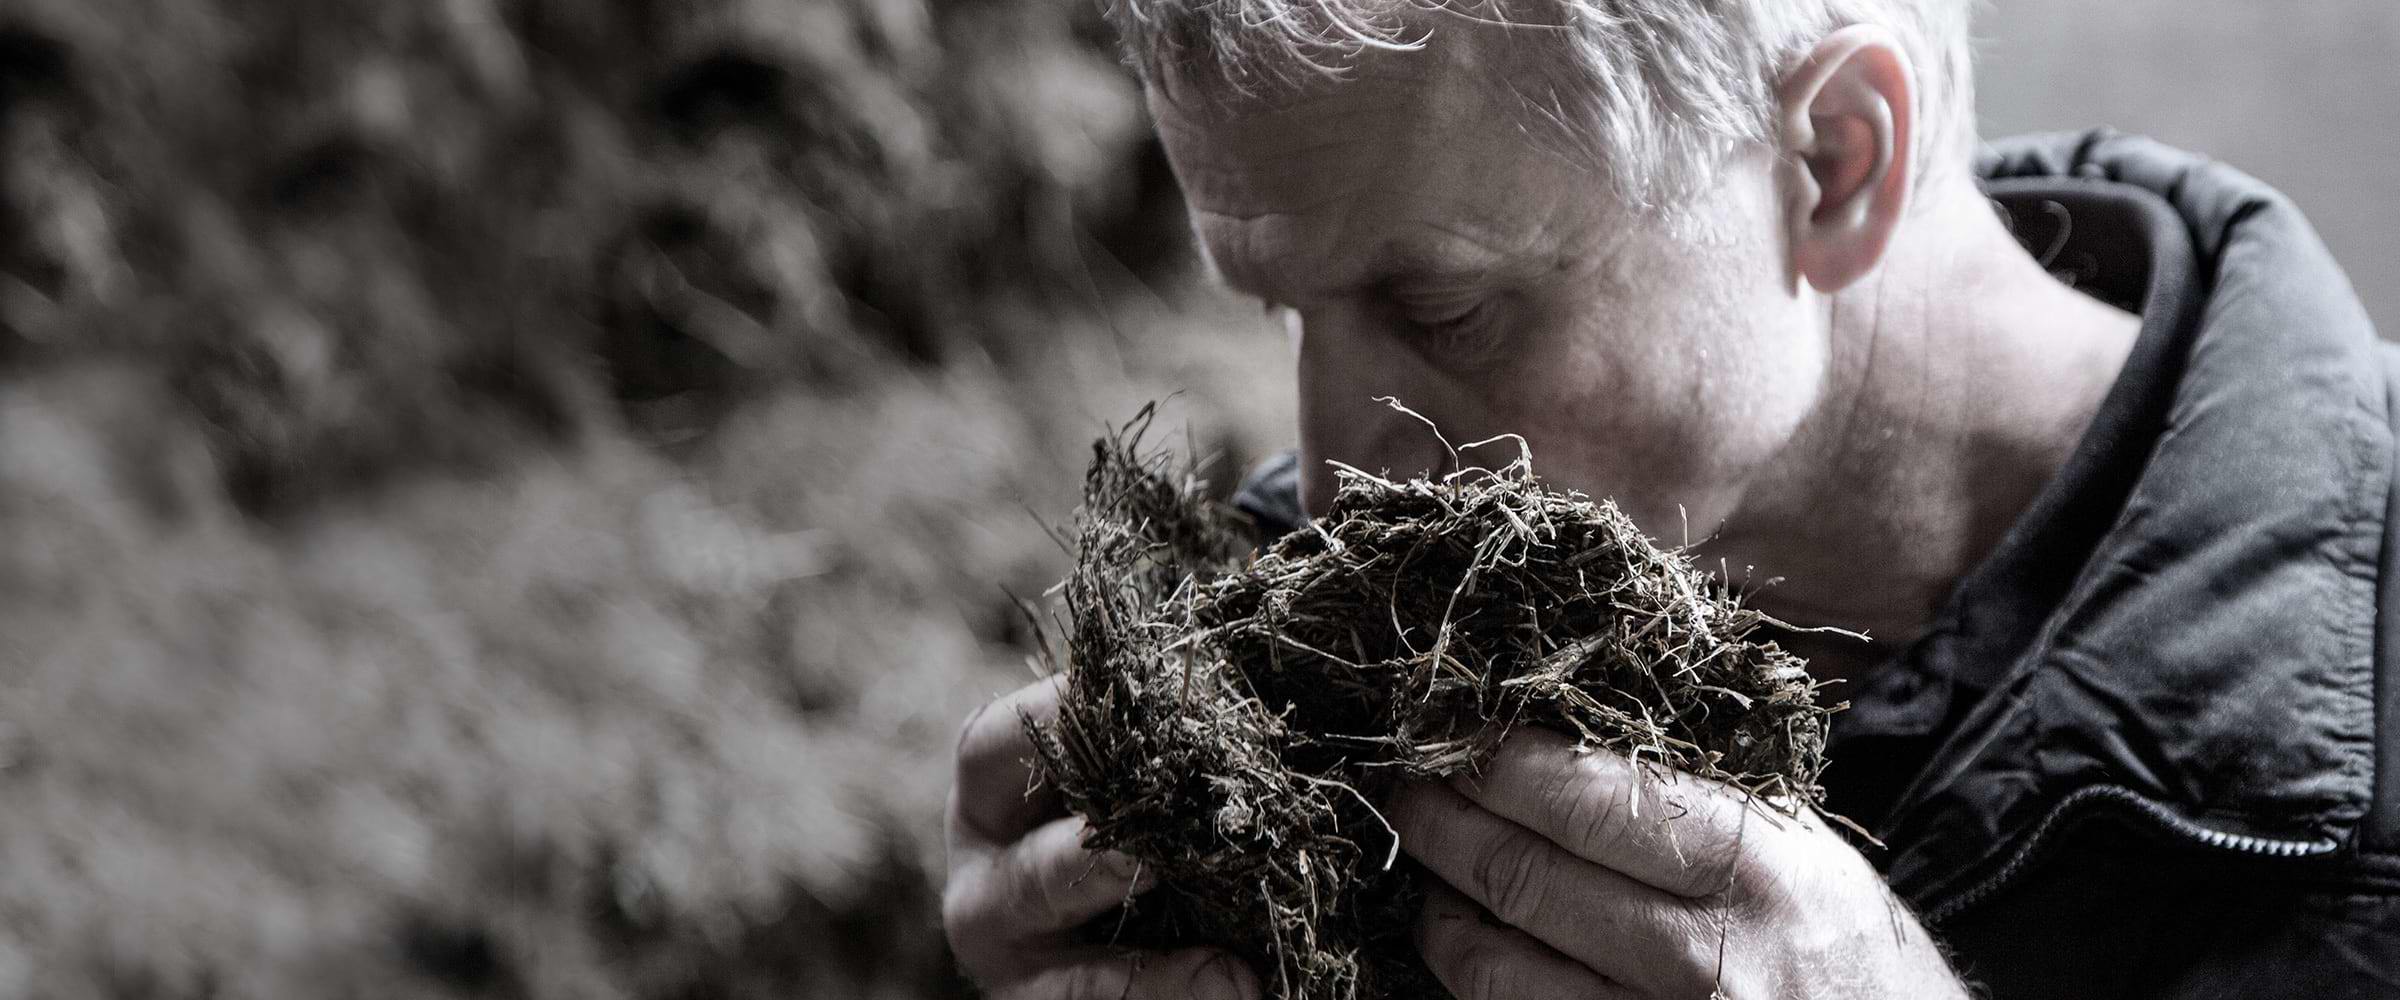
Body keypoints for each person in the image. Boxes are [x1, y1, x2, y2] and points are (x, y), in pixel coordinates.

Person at [944, 1, 2400, 996]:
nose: (1329, 485)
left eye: (1443, 310)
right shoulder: (1291, 678)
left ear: (1834, 163)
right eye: (1277, 309)